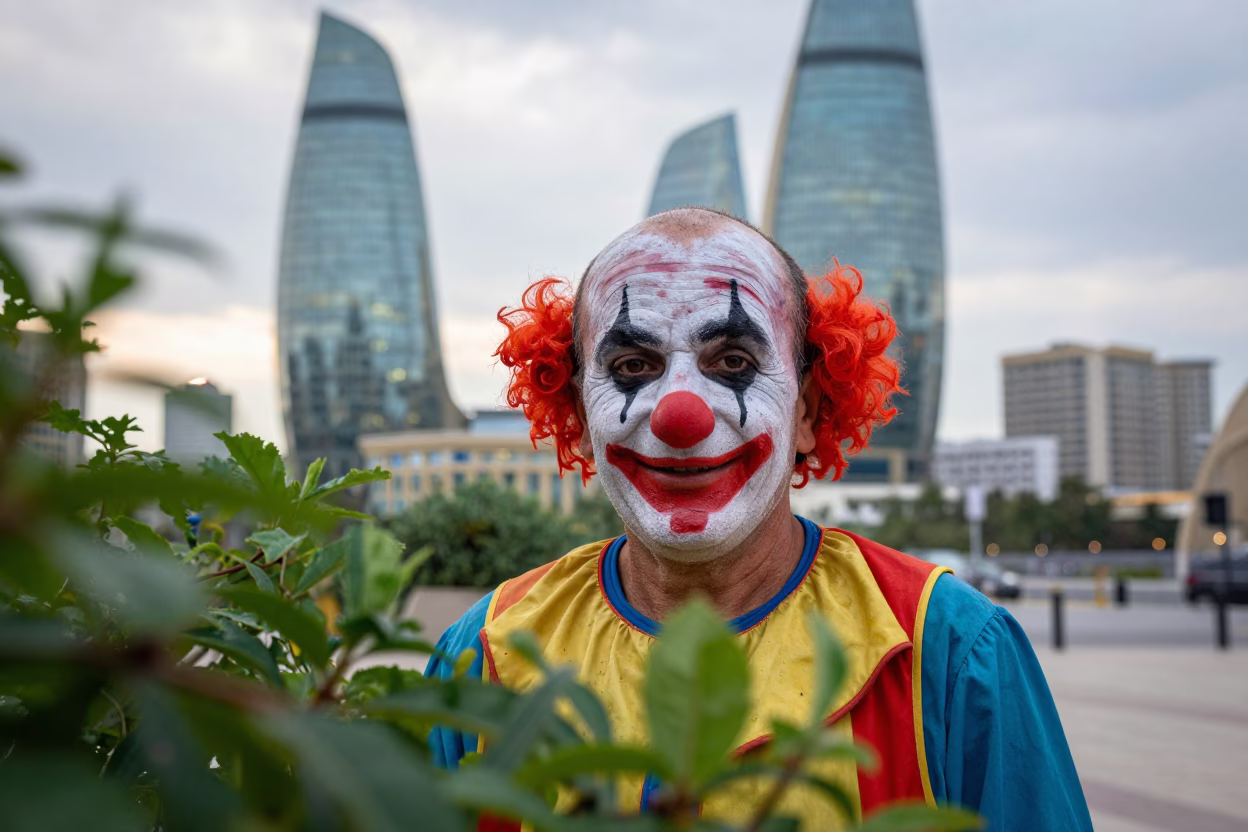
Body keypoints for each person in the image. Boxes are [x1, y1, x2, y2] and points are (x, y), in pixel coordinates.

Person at [425, 208, 1092, 829]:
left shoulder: (952, 650)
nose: (678, 415)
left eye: (734, 362)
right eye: (632, 366)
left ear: (808, 408)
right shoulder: (482, 656)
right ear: (578, 412)